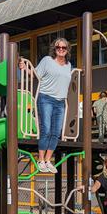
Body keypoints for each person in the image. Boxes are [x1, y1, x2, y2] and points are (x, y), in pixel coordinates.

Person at [24, 38, 72, 173]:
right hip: (46, 98)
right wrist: (25, 68)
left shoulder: (69, 65)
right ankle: (40, 159)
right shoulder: (47, 60)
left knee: (56, 132)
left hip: (61, 101)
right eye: (58, 47)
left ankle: (48, 160)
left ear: (67, 50)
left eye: (64, 47)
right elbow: (35, 74)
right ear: (54, 49)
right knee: (46, 129)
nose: (61, 49)